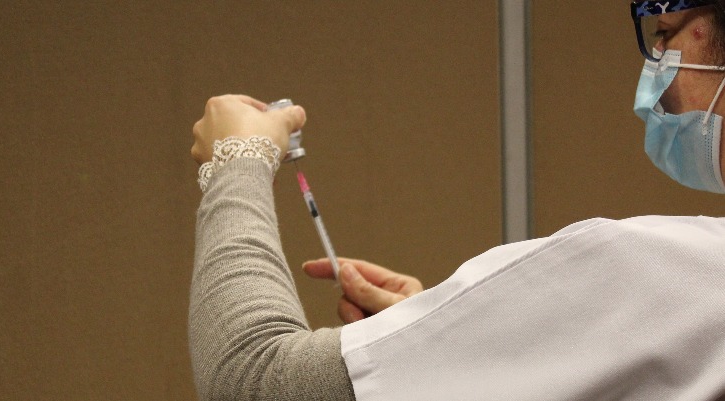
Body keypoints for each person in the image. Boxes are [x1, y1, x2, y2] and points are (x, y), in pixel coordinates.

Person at [189, 1, 725, 399]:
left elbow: (252, 379)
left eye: (664, 32)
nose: (656, 67)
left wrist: (237, 158)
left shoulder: (658, 272)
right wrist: (444, 349)